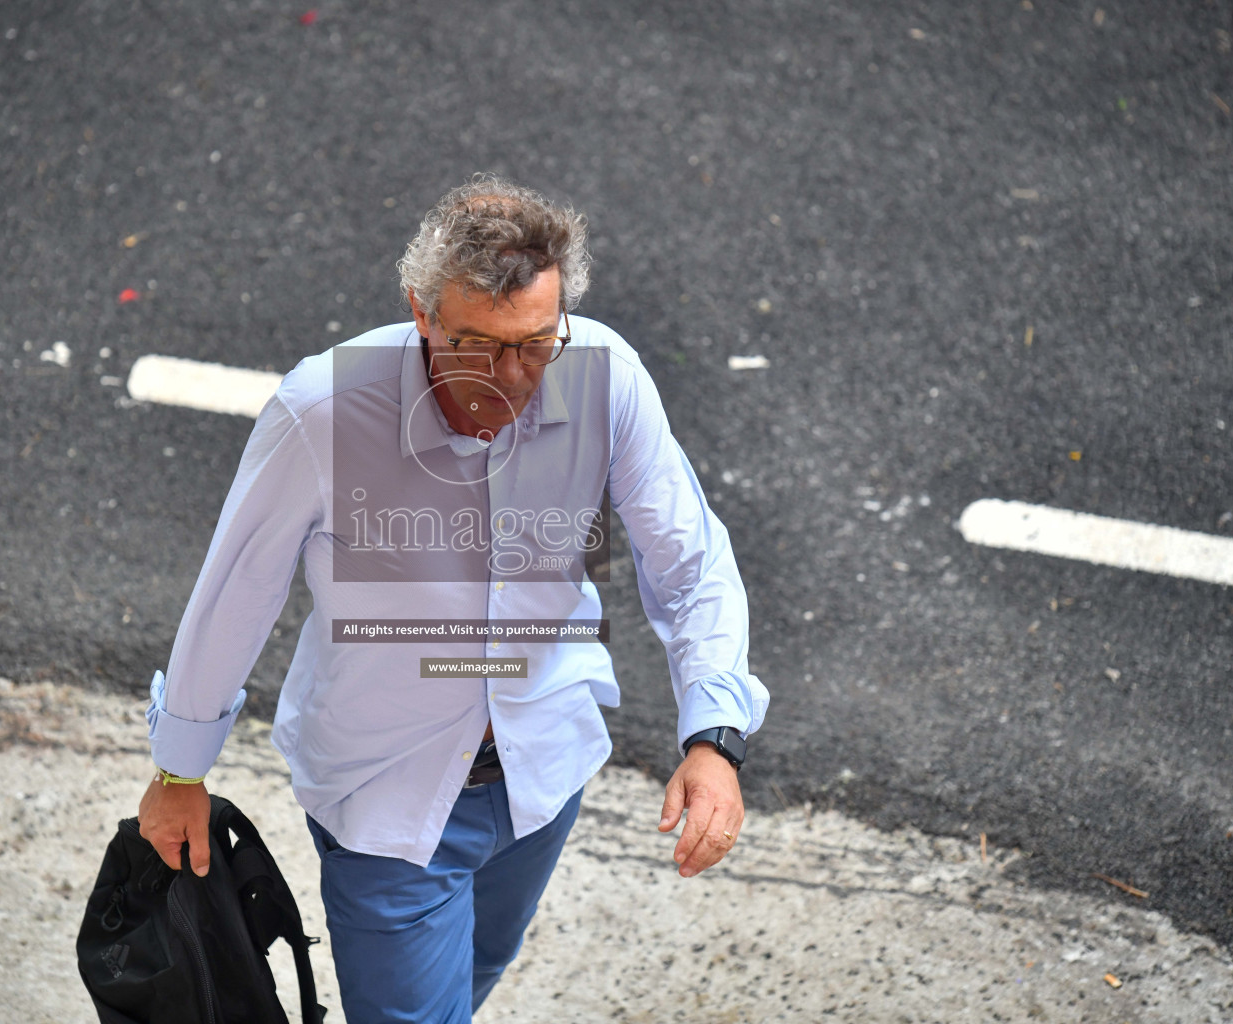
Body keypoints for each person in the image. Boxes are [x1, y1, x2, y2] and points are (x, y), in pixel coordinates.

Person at [137, 174, 769, 1022]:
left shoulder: (604, 376)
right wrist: (180, 770)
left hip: (543, 779)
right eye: (482, 345)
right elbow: (236, 591)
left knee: (463, 988)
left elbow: (690, 564)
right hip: (390, 801)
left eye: (537, 344)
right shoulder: (321, 412)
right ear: (421, 309)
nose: (514, 378)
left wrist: (715, 736)